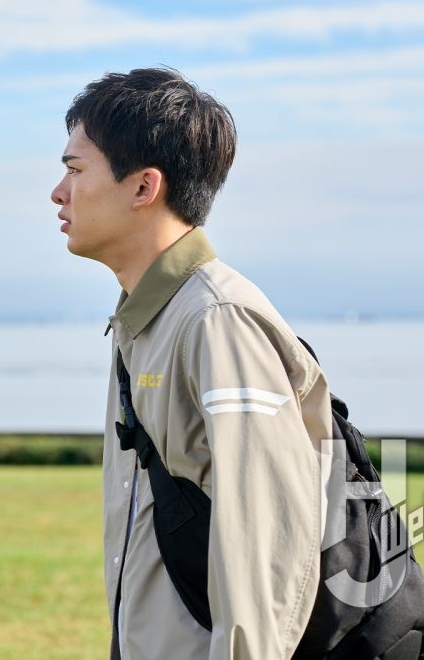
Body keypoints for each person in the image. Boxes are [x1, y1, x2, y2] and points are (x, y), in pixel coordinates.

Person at [51, 68, 331, 659]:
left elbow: (266, 547)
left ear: (143, 186)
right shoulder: (146, 317)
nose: (58, 192)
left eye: (75, 170)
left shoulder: (216, 321)